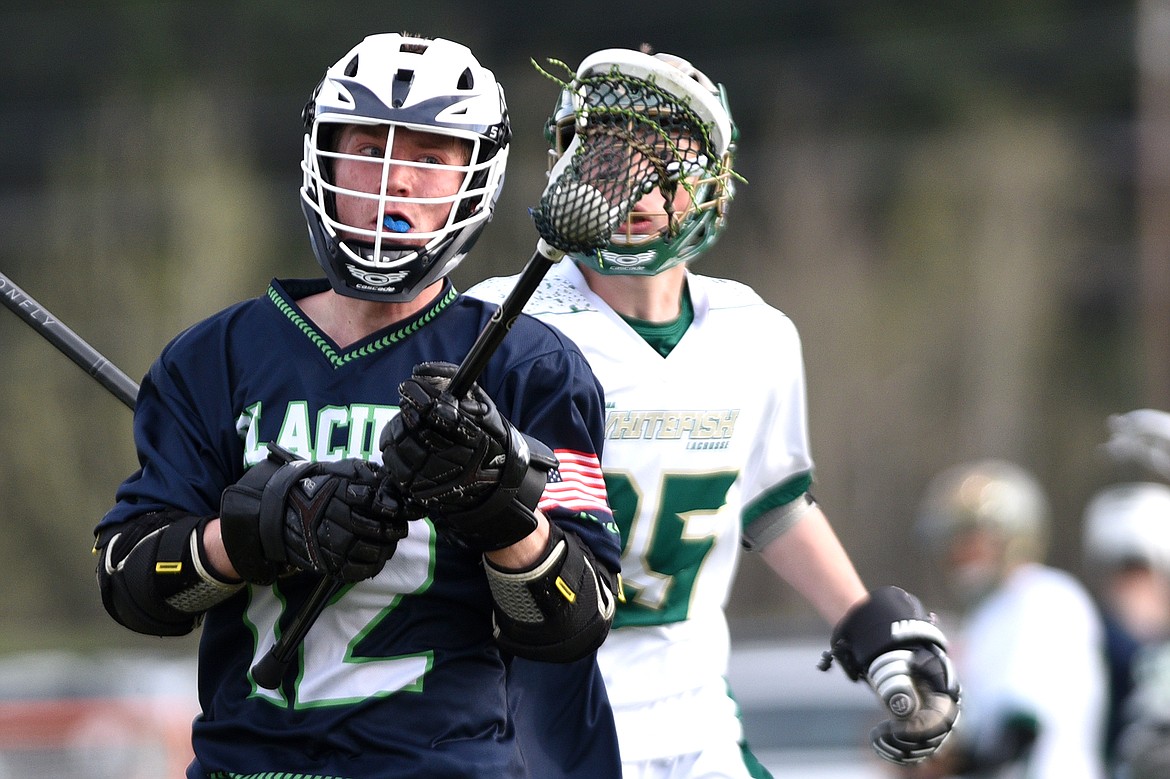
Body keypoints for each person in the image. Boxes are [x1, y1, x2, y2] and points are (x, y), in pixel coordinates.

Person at [91, 32, 623, 779]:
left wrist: (498, 509)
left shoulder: (530, 368)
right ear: (323, 161)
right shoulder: (214, 358)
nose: (394, 182)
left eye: (429, 158)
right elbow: (130, 585)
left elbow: (577, 620)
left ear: (476, 178)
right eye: (370, 148)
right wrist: (255, 531)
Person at [469, 45, 960, 778]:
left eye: (658, 160)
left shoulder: (752, 330)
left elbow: (771, 502)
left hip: (693, 709)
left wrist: (863, 619)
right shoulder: (500, 321)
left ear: (711, 180)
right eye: (603, 156)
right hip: (534, 710)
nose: (628, 182)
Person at [910, 459, 1107, 779]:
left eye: (968, 538)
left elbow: (1019, 729)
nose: (955, 553)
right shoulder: (991, 612)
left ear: (1009, 536)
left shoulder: (1041, 597)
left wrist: (952, 764)